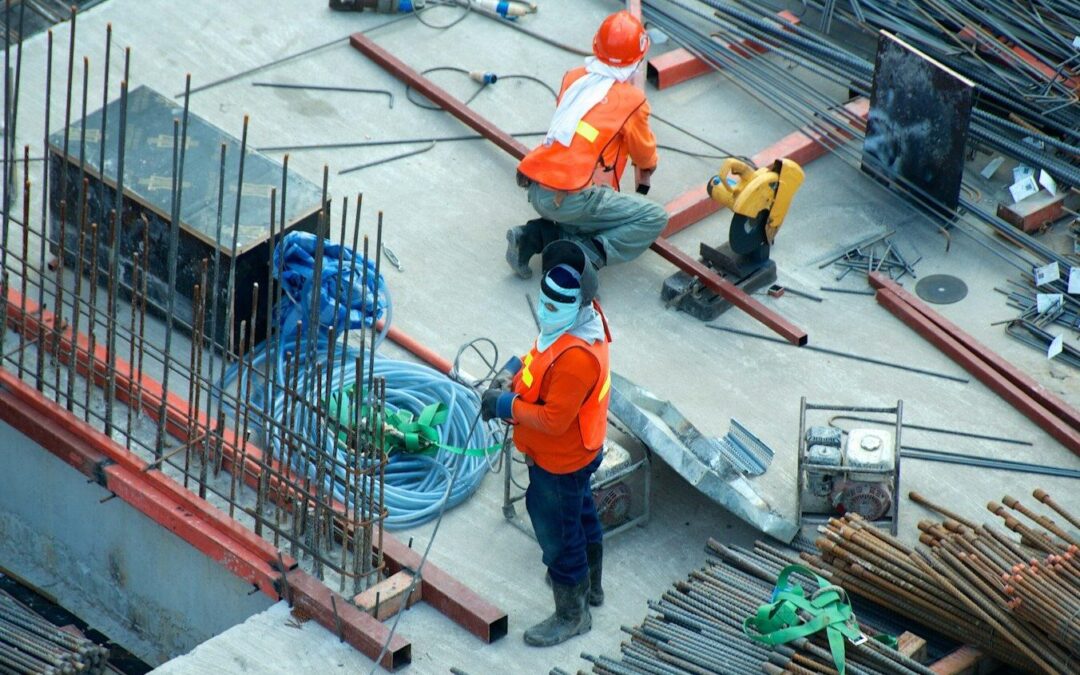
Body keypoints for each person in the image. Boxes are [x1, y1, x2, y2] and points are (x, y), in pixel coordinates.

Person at [481, 240, 612, 647]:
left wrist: (505, 403)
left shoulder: (578, 358)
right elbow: (540, 356)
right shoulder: (577, 324)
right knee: (581, 514)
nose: (545, 312)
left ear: (579, 303)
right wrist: (512, 371)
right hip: (578, 453)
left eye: (555, 307)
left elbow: (554, 421)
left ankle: (573, 615)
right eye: (544, 302)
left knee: (559, 535)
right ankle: (590, 588)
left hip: (561, 459)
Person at [506, 10, 670, 278]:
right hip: (570, 196)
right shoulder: (632, 101)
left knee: (591, 211)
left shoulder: (575, 77)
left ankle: (530, 238)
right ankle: (585, 255)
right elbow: (643, 154)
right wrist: (649, 166)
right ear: (638, 59)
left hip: (537, 185)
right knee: (653, 217)